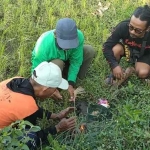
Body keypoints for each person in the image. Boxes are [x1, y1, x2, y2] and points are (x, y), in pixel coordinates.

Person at [0, 61, 76, 149]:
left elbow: (30, 109)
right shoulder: (27, 106)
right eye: (55, 89)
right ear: (45, 89)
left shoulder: (17, 80)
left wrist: (56, 116)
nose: (55, 92)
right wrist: (58, 128)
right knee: (31, 137)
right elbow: (36, 133)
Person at [31, 18, 95, 101]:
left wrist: (71, 83)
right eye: (64, 44)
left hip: (67, 59)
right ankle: (56, 84)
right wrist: (50, 90)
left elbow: (76, 61)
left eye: (71, 44)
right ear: (55, 35)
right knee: (59, 63)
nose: (67, 48)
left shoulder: (79, 36)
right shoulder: (44, 45)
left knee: (89, 50)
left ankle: (68, 77)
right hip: (52, 64)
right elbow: (37, 72)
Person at [103, 5, 150, 84]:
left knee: (143, 73)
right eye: (131, 27)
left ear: (148, 28)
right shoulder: (123, 26)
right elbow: (106, 47)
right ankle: (115, 74)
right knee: (115, 50)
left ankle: (133, 69)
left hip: (145, 54)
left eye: (138, 31)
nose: (132, 32)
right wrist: (114, 65)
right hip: (128, 49)